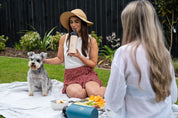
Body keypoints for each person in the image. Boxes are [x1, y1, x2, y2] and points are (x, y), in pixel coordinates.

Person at [104, 0, 177, 118]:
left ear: (128, 25)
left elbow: (113, 102)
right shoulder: (164, 53)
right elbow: (173, 96)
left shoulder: (123, 53)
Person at [44, 9, 106, 99]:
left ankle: (107, 90)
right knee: (78, 94)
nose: (73, 25)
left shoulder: (91, 40)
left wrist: (79, 56)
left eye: (76, 22)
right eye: (71, 22)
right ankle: (87, 91)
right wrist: (44, 61)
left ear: (82, 23)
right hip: (71, 76)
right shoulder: (64, 39)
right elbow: (59, 59)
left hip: (87, 73)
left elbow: (93, 64)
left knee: (96, 94)